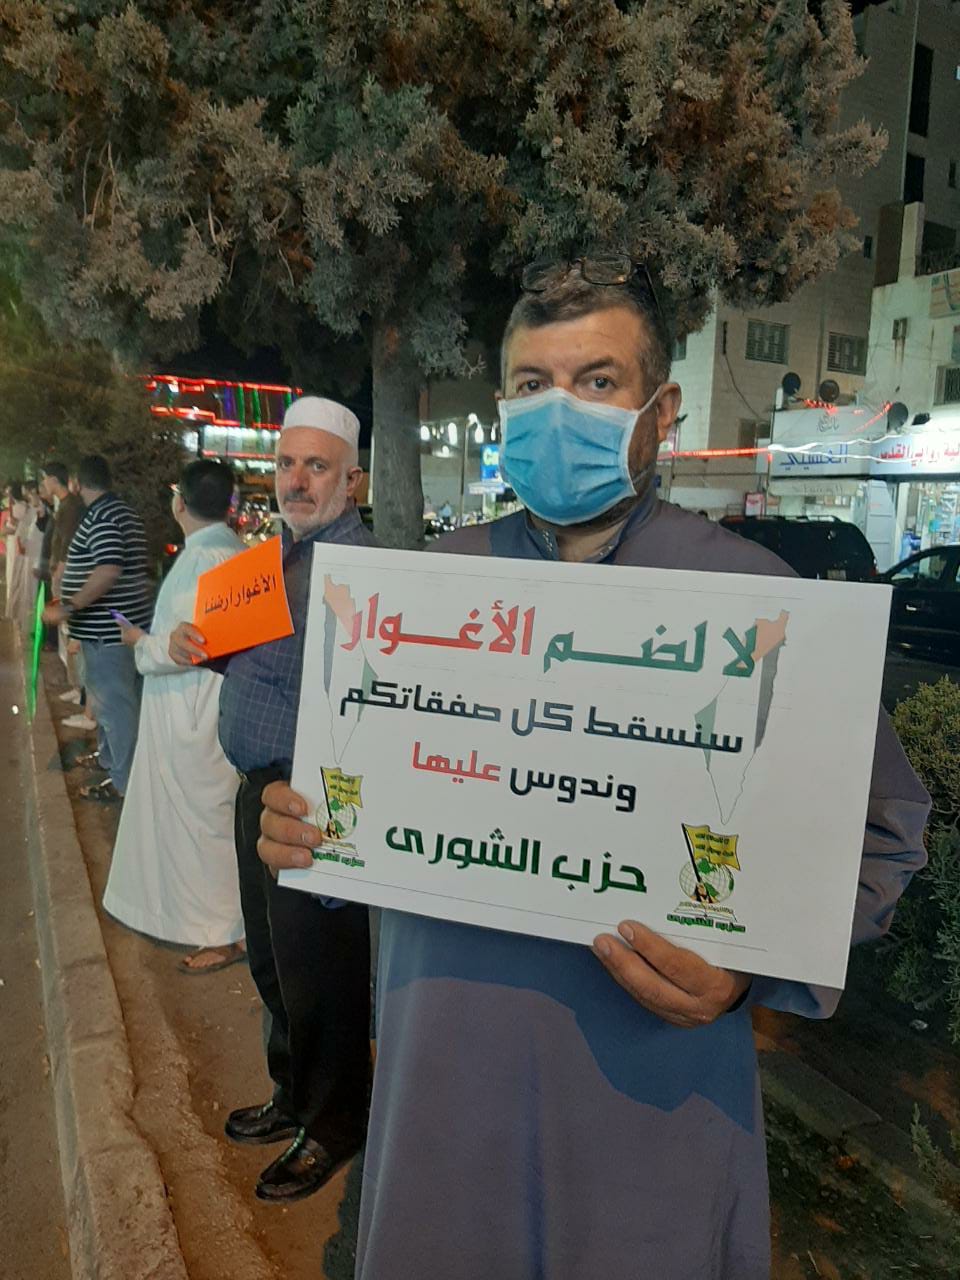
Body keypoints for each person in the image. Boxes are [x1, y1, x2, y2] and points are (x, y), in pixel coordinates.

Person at [256, 257, 932, 1279]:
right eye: (532, 384)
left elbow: (884, 827)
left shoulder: (759, 602)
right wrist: (306, 830)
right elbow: (363, 798)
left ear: (661, 410)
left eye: (598, 381)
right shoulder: (422, 596)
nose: (558, 410)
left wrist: (753, 968)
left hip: (649, 1096)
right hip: (444, 1085)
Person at [168, 397, 374, 1203]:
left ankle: (334, 1124)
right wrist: (203, 648)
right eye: (287, 463)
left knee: (320, 973)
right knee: (273, 961)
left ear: (352, 481)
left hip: (310, 802)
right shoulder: (271, 560)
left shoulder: (362, 573)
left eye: (317, 466)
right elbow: (265, 662)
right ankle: (294, 1095)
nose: (297, 480)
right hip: (259, 789)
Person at [102, 460, 246, 972]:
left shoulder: (201, 562)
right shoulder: (236, 556)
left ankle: (224, 933)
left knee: (204, 828)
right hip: (207, 708)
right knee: (205, 825)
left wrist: (141, 643)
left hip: (193, 713)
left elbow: (191, 647)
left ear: (179, 503)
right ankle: (213, 925)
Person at [43, 455, 152, 801]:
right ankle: (110, 762)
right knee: (111, 707)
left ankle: (123, 784)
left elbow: (108, 569)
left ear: (78, 483)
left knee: (117, 710)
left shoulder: (103, 517)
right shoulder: (121, 512)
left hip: (108, 634)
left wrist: (70, 606)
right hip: (113, 630)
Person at [3, 480, 29, 622]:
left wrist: (4, 530)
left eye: (9, 492)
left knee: (13, 576)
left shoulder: (18, 508)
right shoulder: (23, 506)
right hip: (16, 545)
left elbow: (12, 529)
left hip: (16, 545)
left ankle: (14, 613)